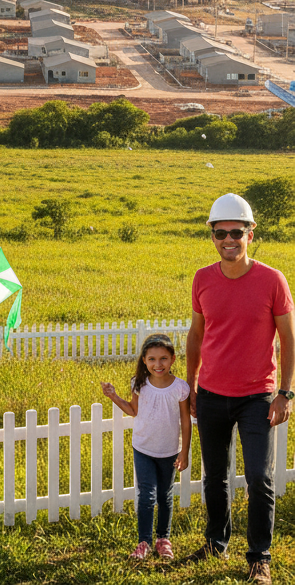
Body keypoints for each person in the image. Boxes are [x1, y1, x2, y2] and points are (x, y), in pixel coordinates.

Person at [186, 193, 294, 585]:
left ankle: (259, 557)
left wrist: (286, 392)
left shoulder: (271, 280)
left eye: (236, 232)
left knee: (258, 478)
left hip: (257, 397)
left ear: (251, 234)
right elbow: (196, 334)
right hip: (212, 394)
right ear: (212, 235)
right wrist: (192, 384)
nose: (228, 239)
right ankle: (216, 542)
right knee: (214, 476)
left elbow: (288, 338)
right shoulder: (202, 278)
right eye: (220, 233)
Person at [101, 334, 191, 561]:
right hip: (143, 448)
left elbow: (185, 420)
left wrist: (184, 451)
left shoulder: (180, 388)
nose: (157, 364)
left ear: (172, 359)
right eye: (152, 359)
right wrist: (113, 396)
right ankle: (144, 542)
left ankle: (163, 539)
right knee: (147, 496)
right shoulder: (139, 384)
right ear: (144, 360)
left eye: (163, 359)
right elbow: (133, 410)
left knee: (165, 495)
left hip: (169, 450)